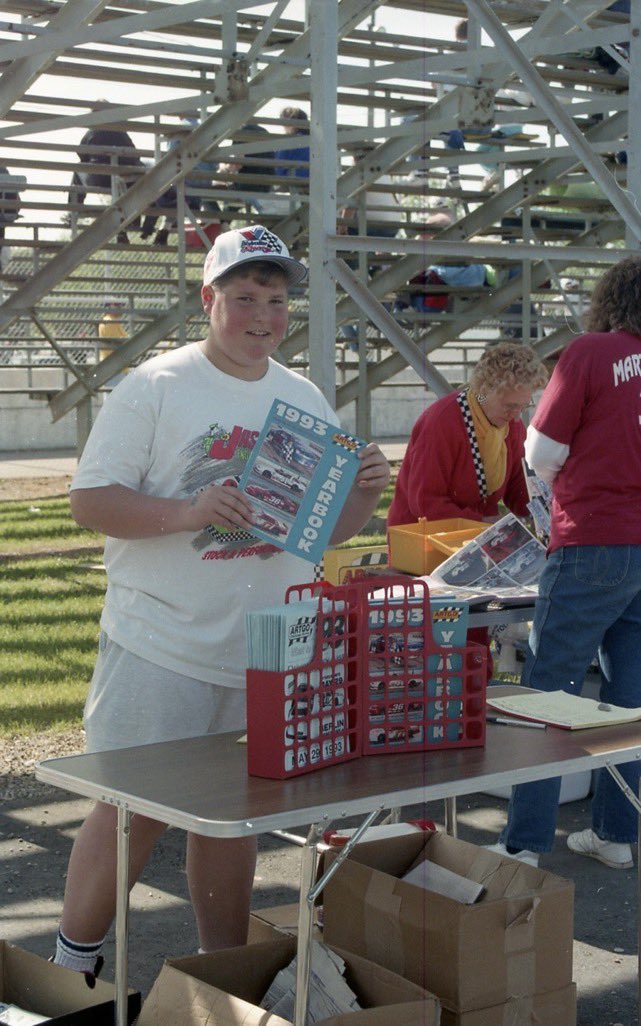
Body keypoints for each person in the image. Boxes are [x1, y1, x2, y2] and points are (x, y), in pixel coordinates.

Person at [52, 223, 391, 986]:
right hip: (158, 641)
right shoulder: (156, 384)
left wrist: (362, 497)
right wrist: (188, 510)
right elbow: (89, 501)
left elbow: (313, 536)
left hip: (261, 651)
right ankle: (70, 966)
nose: (262, 315)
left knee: (234, 819)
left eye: (274, 299)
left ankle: (222, 970)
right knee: (130, 811)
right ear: (209, 300)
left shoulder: (301, 395)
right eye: (243, 297)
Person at [488, 256, 641, 871]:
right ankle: (615, 834)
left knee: (548, 693)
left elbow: (543, 448)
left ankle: (524, 844)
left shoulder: (590, 352)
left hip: (592, 541)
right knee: (629, 702)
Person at [388, 342, 548, 526]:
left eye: (524, 405)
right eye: (510, 406)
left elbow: (519, 489)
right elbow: (425, 502)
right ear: (484, 391)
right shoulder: (442, 422)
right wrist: (482, 522)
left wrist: (546, 509)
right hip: (422, 537)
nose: (517, 415)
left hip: (475, 533)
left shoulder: (511, 425)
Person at [140, 114, 219, 246]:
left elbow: (171, 161)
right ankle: (163, 228)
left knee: (166, 193)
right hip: (204, 182)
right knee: (174, 194)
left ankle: (158, 228)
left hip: (186, 180)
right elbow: (214, 164)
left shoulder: (180, 129)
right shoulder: (207, 130)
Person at [67, 127, 145, 244]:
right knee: (121, 192)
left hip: (99, 177)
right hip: (123, 178)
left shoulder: (93, 131)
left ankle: (73, 210)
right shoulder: (121, 132)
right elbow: (135, 155)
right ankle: (123, 229)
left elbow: (82, 155)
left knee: (78, 170)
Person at [274, 107, 310, 180]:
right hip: (313, 179)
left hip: (292, 178)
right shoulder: (315, 141)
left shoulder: (289, 141)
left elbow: (278, 169)